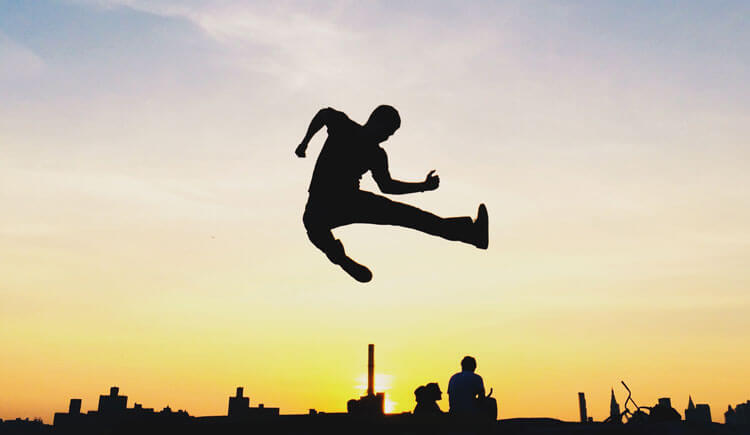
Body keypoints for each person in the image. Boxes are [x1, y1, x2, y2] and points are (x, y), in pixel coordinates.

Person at [295, 105, 489, 282]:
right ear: (375, 121)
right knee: (313, 224)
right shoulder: (345, 127)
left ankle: (471, 233)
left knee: (412, 217)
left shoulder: (376, 154)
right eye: (387, 131)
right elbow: (324, 114)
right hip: (328, 201)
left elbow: (387, 186)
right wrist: (305, 142)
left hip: (351, 201)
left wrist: (422, 186)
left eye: (391, 134)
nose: (387, 137)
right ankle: (342, 260)